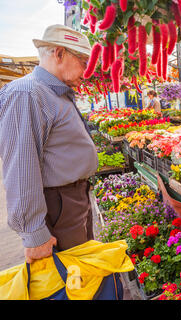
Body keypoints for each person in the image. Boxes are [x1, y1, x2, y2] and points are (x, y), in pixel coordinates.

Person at [0, 24, 98, 263]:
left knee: (81, 274)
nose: (86, 70)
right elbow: (21, 169)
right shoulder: (28, 93)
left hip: (72, 200)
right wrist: (34, 234)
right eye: (83, 60)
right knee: (69, 278)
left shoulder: (55, 93)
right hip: (57, 205)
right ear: (59, 53)